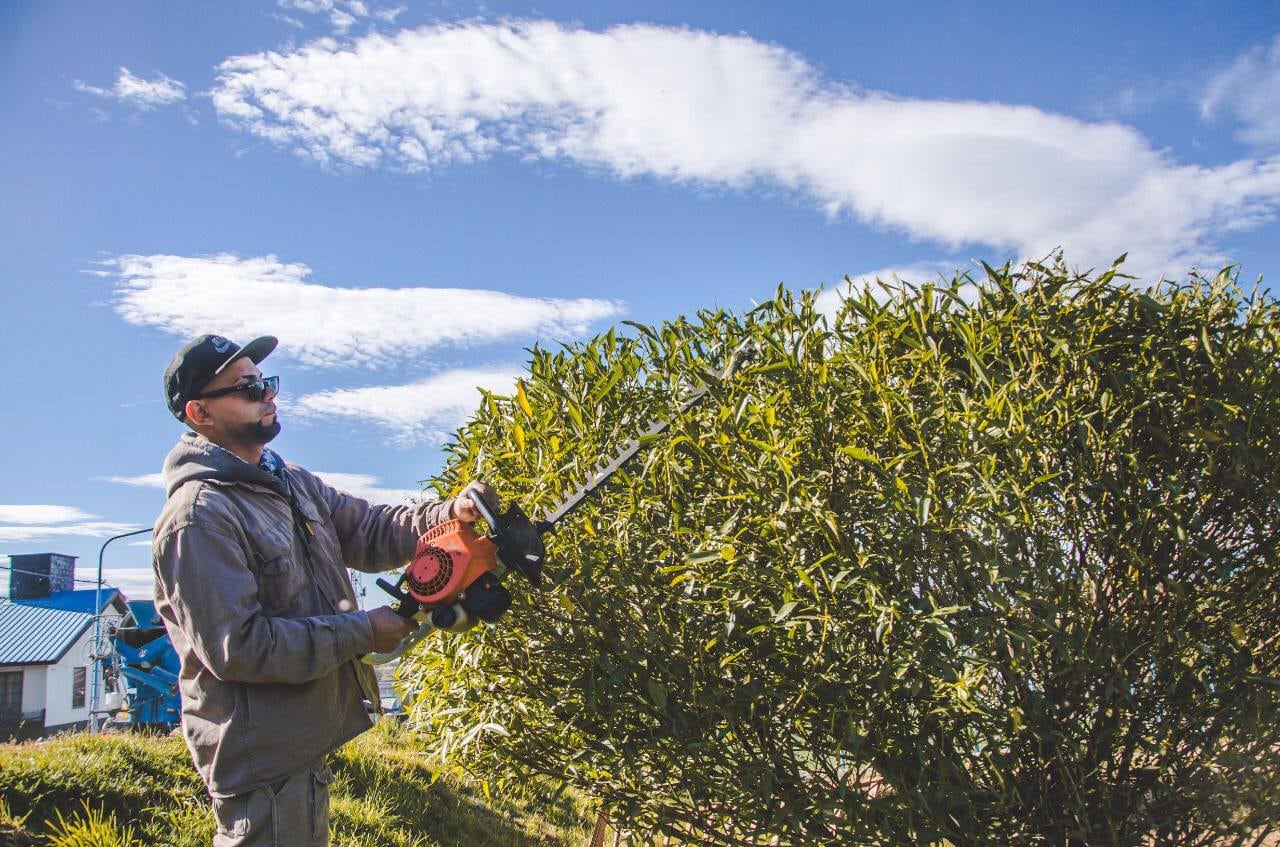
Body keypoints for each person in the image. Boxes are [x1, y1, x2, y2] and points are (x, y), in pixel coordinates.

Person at [151, 333, 494, 846]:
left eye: (266, 382)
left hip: (296, 745)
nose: (267, 394)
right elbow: (240, 649)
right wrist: (362, 631)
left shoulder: (288, 482)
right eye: (247, 388)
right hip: (260, 759)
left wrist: (451, 513)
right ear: (200, 413)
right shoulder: (199, 517)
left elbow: (371, 528)